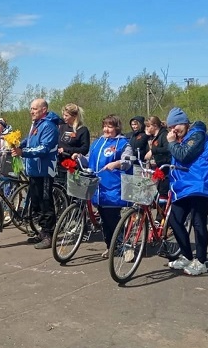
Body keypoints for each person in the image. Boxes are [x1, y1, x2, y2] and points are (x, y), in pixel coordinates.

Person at [165, 108, 208, 276]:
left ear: (186, 123)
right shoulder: (181, 138)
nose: (174, 129)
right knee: (175, 220)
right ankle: (187, 256)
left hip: (201, 184)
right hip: (184, 186)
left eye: (178, 124)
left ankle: (201, 261)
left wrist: (172, 143)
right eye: (171, 126)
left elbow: (184, 156)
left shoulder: (197, 135)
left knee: (198, 222)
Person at [73, 115, 133, 258]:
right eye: (105, 126)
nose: (106, 129)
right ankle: (111, 246)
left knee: (113, 219)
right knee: (104, 221)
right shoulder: (98, 142)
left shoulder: (124, 143)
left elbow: (128, 161)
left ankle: (125, 245)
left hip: (113, 187)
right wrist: (80, 157)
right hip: (98, 188)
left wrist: (117, 163)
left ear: (117, 128)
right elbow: (89, 159)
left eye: (110, 126)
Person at [12, 98, 61, 249]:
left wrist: (23, 152)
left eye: (34, 108)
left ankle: (49, 234)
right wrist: (18, 144)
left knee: (46, 203)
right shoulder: (37, 124)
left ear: (44, 110)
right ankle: (42, 232)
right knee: (36, 202)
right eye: (31, 108)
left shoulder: (49, 126)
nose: (31, 111)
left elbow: (44, 148)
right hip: (34, 170)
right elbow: (30, 140)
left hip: (45, 169)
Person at [57, 104, 90, 185]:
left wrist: (66, 150)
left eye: (66, 115)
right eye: (63, 115)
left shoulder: (82, 130)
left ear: (74, 116)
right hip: (60, 164)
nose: (64, 117)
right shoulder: (62, 127)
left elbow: (84, 149)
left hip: (73, 166)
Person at [144, 116, 171, 197]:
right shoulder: (151, 138)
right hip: (153, 169)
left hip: (164, 169)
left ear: (155, 126)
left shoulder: (164, 135)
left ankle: (163, 208)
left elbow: (168, 148)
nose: (147, 128)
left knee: (162, 195)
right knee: (153, 195)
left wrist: (153, 151)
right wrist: (146, 136)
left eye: (148, 126)